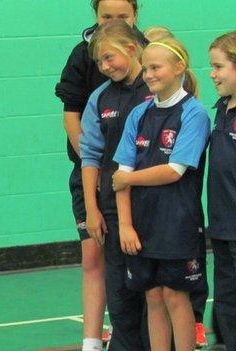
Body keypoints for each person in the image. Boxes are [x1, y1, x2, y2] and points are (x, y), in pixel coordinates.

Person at [54, 1, 145, 349]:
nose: (114, 21)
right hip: (98, 177)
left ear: (135, 14)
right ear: (95, 16)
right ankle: (93, 339)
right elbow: (73, 120)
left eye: (122, 16)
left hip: (139, 181)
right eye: (106, 16)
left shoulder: (150, 58)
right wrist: (98, 166)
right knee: (95, 254)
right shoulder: (83, 58)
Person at [112, 37, 210, 350]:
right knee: (152, 295)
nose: (149, 74)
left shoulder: (194, 115)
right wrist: (125, 224)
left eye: (156, 67)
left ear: (179, 67)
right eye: (146, 68)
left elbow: (173, 170)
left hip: (177, 225)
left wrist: (127, 180)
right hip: (141, 225)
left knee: (174, 295)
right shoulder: (138, 115)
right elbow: (120, 173)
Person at [80, 19, 151, 351]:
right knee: (121, 294)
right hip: (111, 207)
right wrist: (92, 210)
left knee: (156, 292)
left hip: (155, 207)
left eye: (110, 58)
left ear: (132, 49)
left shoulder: (156, 90)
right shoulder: (99, 98)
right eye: (99, 62)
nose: (105, 67)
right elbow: (90, 156)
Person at [207, 30, 236, 351]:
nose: (212, 74)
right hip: (222, 226)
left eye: (219, 66)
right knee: (226, 293)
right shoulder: (221, 109)